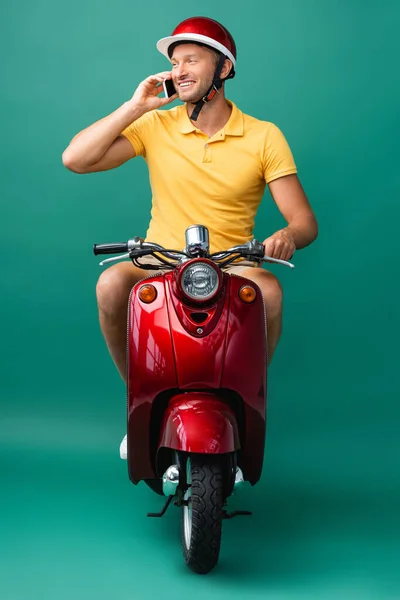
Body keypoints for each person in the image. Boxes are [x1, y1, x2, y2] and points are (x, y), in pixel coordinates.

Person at [62, 16, 318, 459]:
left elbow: (304, 222)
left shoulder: (263, 136)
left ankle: (243, 406)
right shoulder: (156, 126)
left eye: (192, 60)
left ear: (223, 69)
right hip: (163, 257)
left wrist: (286, 236)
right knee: (110, 285)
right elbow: (76, 160)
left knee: (270, 292)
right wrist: (135, 107)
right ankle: (139, 404)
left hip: (231, 259)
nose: (178, 70)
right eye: (174, 62)